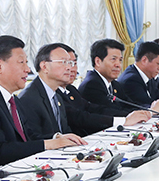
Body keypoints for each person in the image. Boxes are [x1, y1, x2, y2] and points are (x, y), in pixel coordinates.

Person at [0, 35, 85, 174]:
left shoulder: (11, 98)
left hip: (12, 168)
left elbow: (27, 137)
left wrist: (56, 138)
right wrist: (47, 144)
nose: (28, 69)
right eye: (21, 62)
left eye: (26, 62)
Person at [18, 44, 151, 139]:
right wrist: (123, 121)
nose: (69, 68)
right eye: (64, 62)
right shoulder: (30, 97)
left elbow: (70, 126)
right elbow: (35, 139)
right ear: (44, 66)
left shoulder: (56, 92)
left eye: (71, 63)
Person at [55, 44, 150, 136]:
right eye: (113, 59)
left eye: (74, 63)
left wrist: (143, 113)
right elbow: (81, 117)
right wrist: (125, 120)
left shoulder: (71, 89)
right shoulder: (91, 84)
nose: (70, 69)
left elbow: (95, 109)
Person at [78, 38, 138, 113]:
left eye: (120, 60)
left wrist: (146, 111)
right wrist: (135, 114)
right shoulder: (91, 84)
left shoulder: (115, 84)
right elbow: (110, 112)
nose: (118, 65)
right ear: (98, 62)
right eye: (113, 59)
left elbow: (130, 105)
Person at [116, 41, 159, 112]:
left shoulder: (148, 76)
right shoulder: (131, 80)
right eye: (158, 64)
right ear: (144, 60)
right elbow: (146, 105)